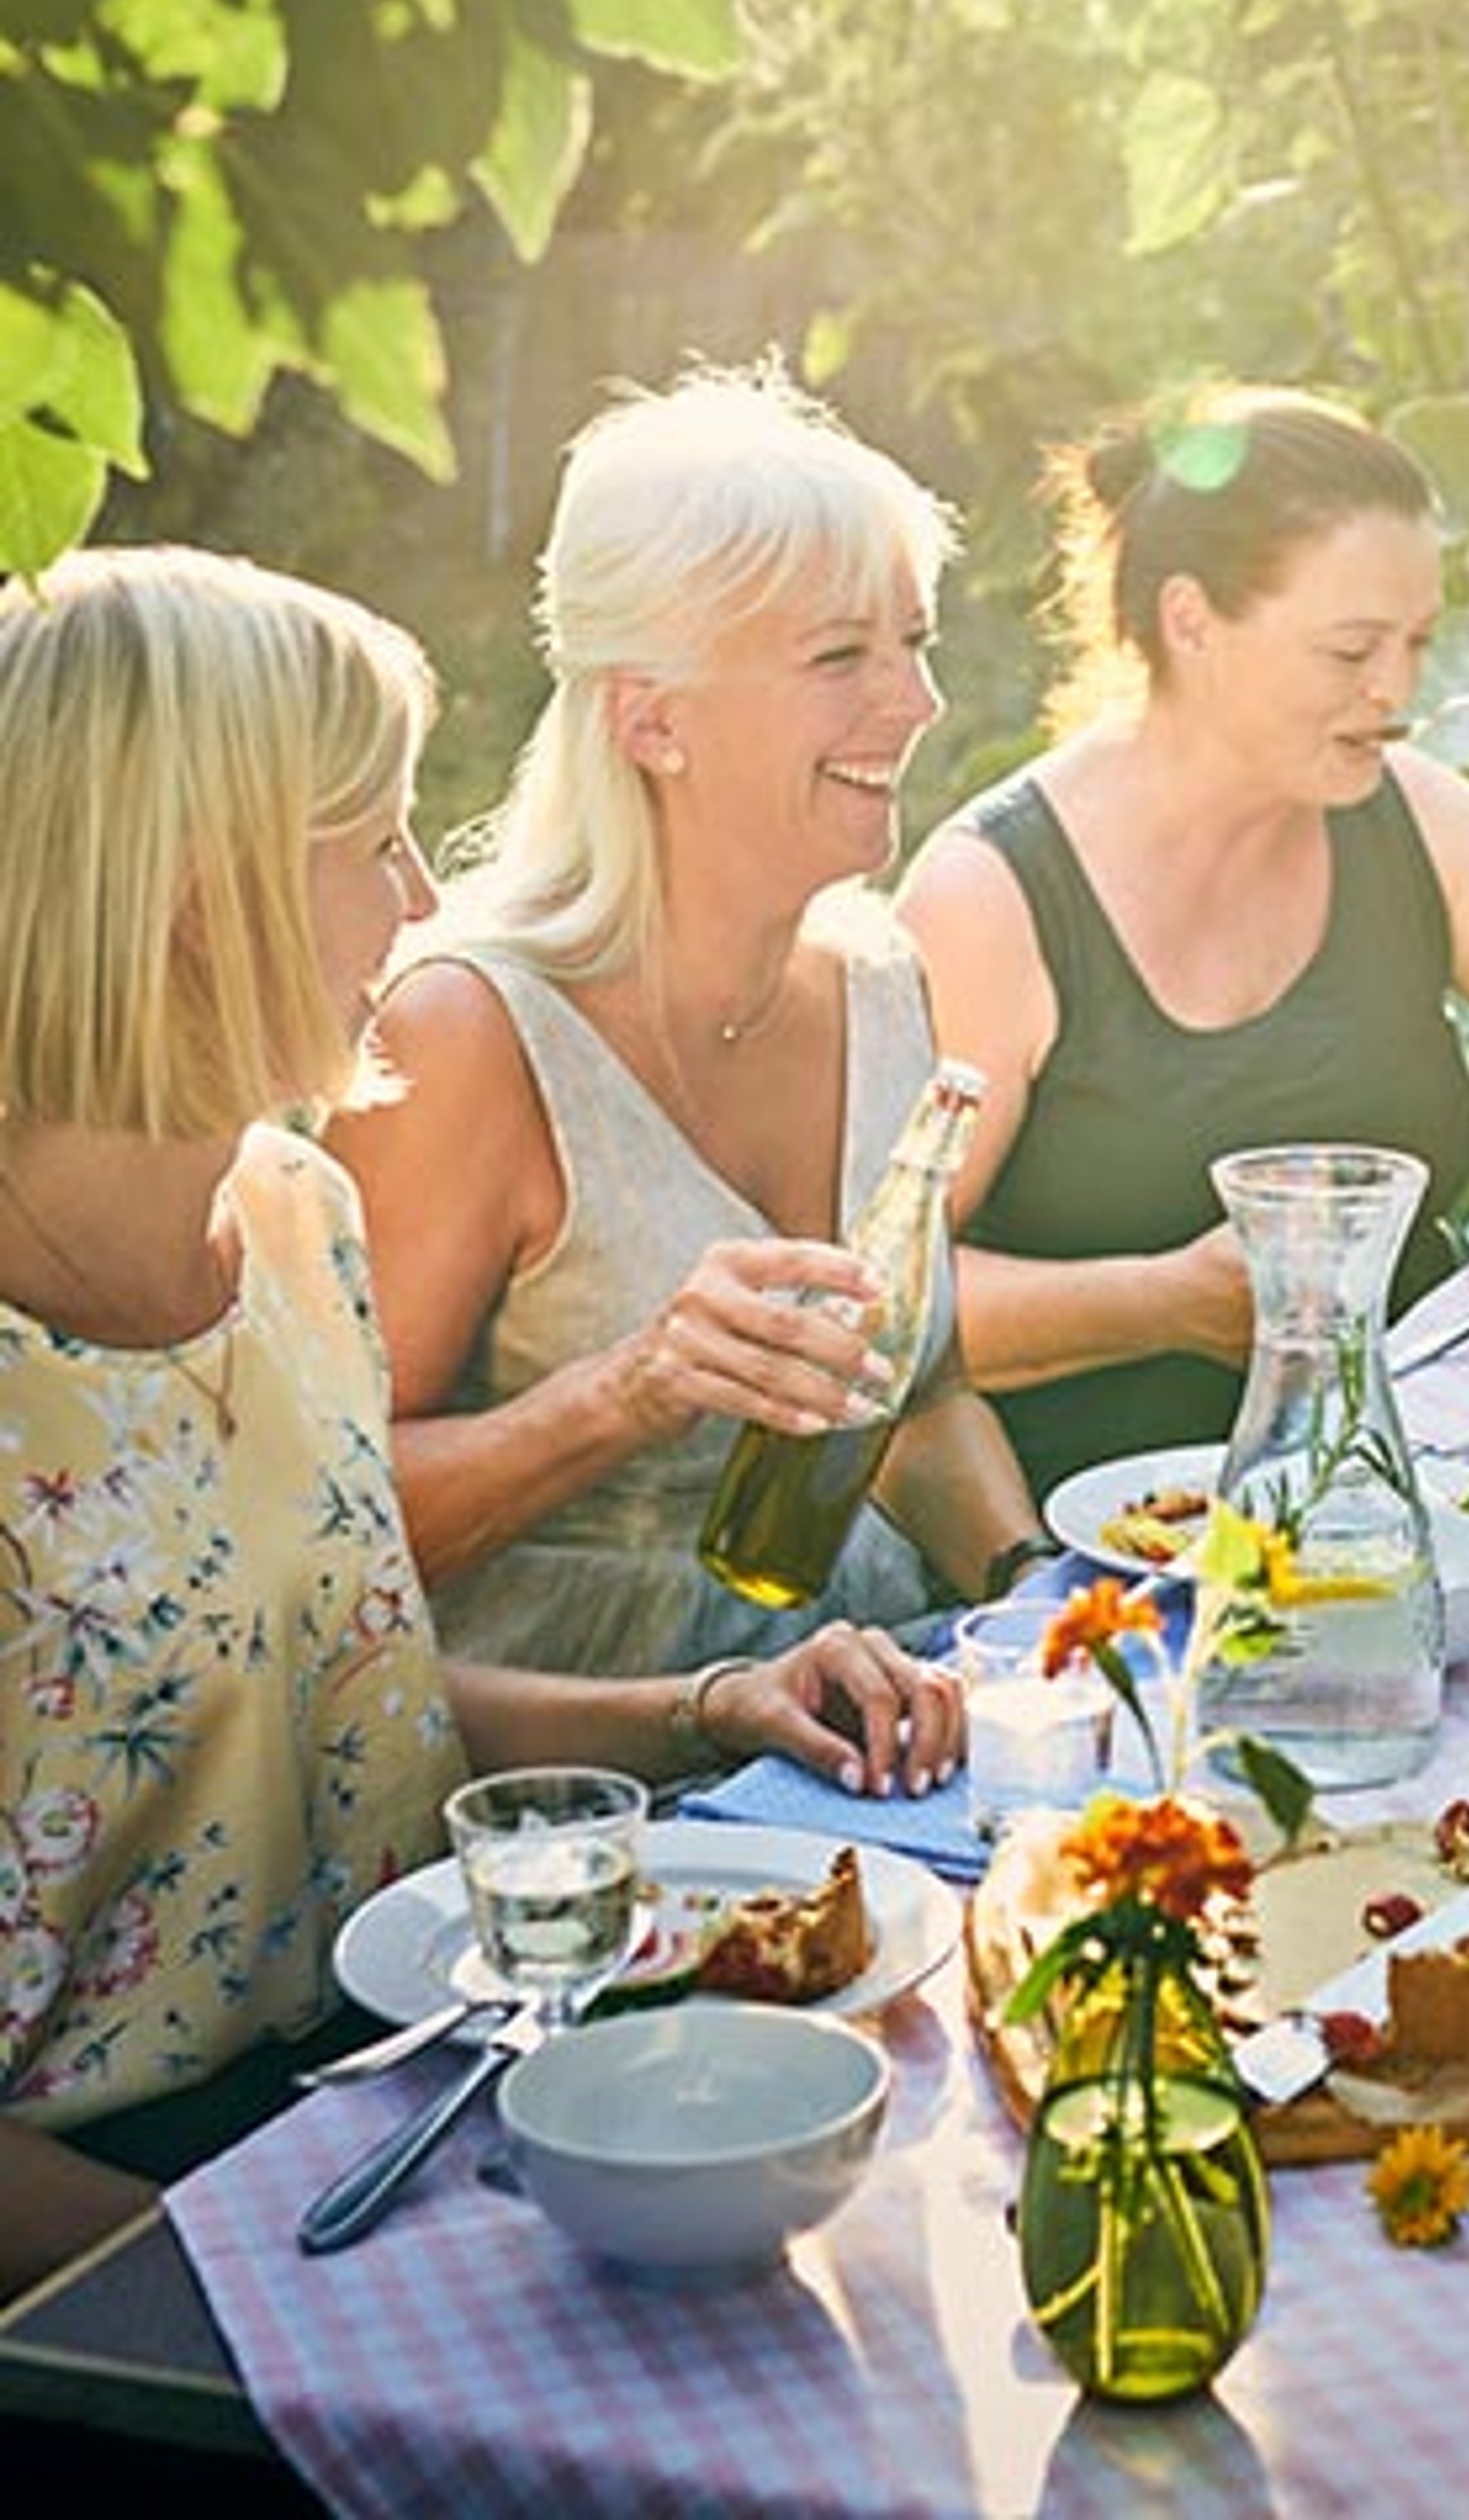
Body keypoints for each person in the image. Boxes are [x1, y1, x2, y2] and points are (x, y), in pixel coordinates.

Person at [0, 547, 964, 2309]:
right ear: (195, 891)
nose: (424, 897)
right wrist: (251, 2283)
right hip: (130, 2236)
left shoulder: (293, 1217)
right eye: (372, 842)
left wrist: (700, 1711)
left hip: (415, 2074)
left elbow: (329, 1683)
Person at [329, 368, 1048, 1679]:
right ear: (652, 719)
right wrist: (634, 1390)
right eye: (843, 656)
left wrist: (1040, 1596)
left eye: (915, 641)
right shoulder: (465, 1033)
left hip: (867, 1703)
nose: (918, 702)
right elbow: (334, 1536)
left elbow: (922, 1396)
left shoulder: (882, 981)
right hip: (577, 1791)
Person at [896, 387, 1469, 1497]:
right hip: (1118, 1549)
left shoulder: (1413, 817)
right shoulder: (990, 898)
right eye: (1349, 652)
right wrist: (1159, 1303)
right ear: (1191, 622)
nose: (1397, 692)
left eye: (1417, 644)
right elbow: (873, 1309)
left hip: (1431, 1478)